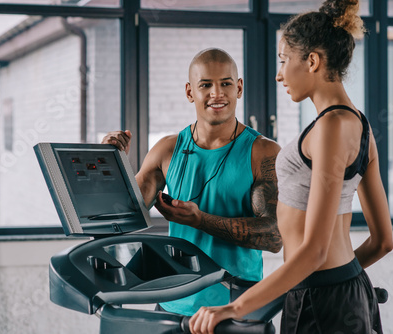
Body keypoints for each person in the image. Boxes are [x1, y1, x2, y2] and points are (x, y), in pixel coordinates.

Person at [188, 1, 393, 333]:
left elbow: (314, 251)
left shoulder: (331, 127)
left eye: (284, 60)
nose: (279, 73)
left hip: (320, 298)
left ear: (312, 61)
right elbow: (383, 241)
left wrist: (233, 307)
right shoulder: (361, 126)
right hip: (337, 288)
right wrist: (341, 280)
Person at [102, 48, 282, 316]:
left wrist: (201, 221)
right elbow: (119, 217)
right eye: (206, 85)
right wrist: (109, 164)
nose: (217, 94)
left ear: (239, 88)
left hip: (236, 307)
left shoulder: (262, 153)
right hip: (174, 302)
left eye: (226, 84)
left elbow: (274, 236)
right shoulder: (167, 149)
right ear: (190, 92)